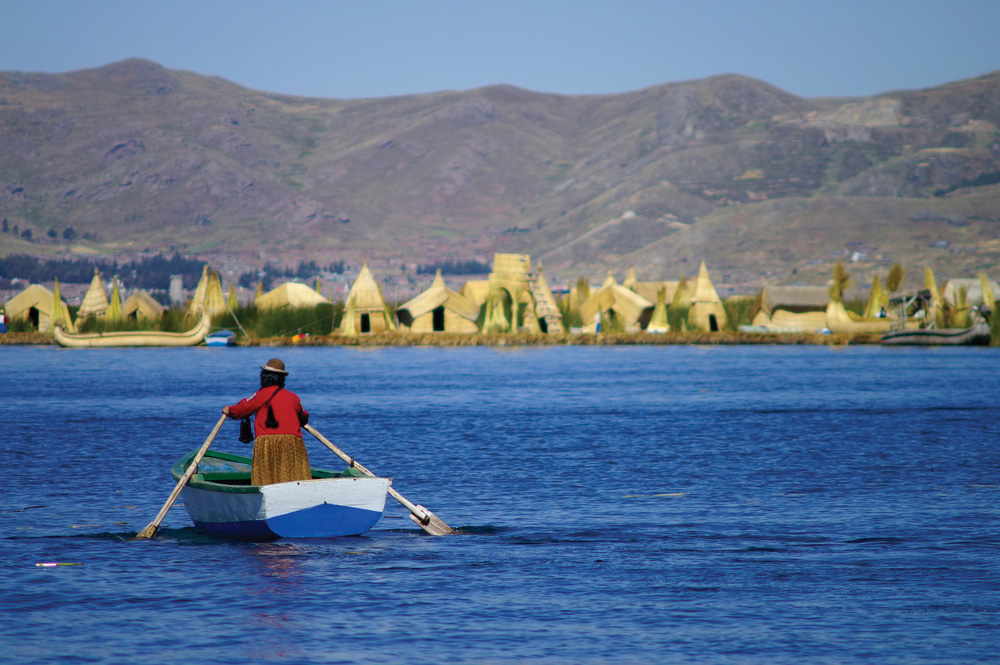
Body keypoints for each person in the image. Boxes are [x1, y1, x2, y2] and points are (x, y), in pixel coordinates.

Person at [223, 358, 311, 486]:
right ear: (282, 379)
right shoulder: (293, 397)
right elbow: (304, 418)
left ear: (264, 377)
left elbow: (241, 410)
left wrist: (229, 410)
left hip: (267, 443)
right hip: (292, 443)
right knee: (293, 476)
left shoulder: (259, 395)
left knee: (267, 479)